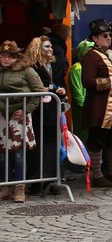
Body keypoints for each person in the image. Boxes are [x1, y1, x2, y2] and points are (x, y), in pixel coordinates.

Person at [81, 20, 112, 188]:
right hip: (99, 106)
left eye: (110, 35)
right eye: (104, 35)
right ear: (95, 38)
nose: (109, 38)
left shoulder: (110, 53)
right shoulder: (91, 56)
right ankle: (97, 174)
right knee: (97, 140)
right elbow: (87, 81)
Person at [0, 41, 46, 203]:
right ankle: (5, 187)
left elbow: (39, 91)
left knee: (19, 153)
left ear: (17, 56)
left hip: (19, 115)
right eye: (3, 55)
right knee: (2, 153)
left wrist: (26, 109)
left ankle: (20, 188)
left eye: (10, 56)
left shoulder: (27, 70)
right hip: (1, 116)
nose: (6, 59)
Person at [23, 36, 65, 195]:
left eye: (51, 47)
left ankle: (51, 179)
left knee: (53, 144)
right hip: (38, 110)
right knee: (37, 144)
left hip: (52, 108)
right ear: (38, 48)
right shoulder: (32, 67)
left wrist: (58, 90)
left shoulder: (52, 65)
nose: (50, 50)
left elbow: (55, 83)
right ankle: (36, 181)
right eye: (46, 47)